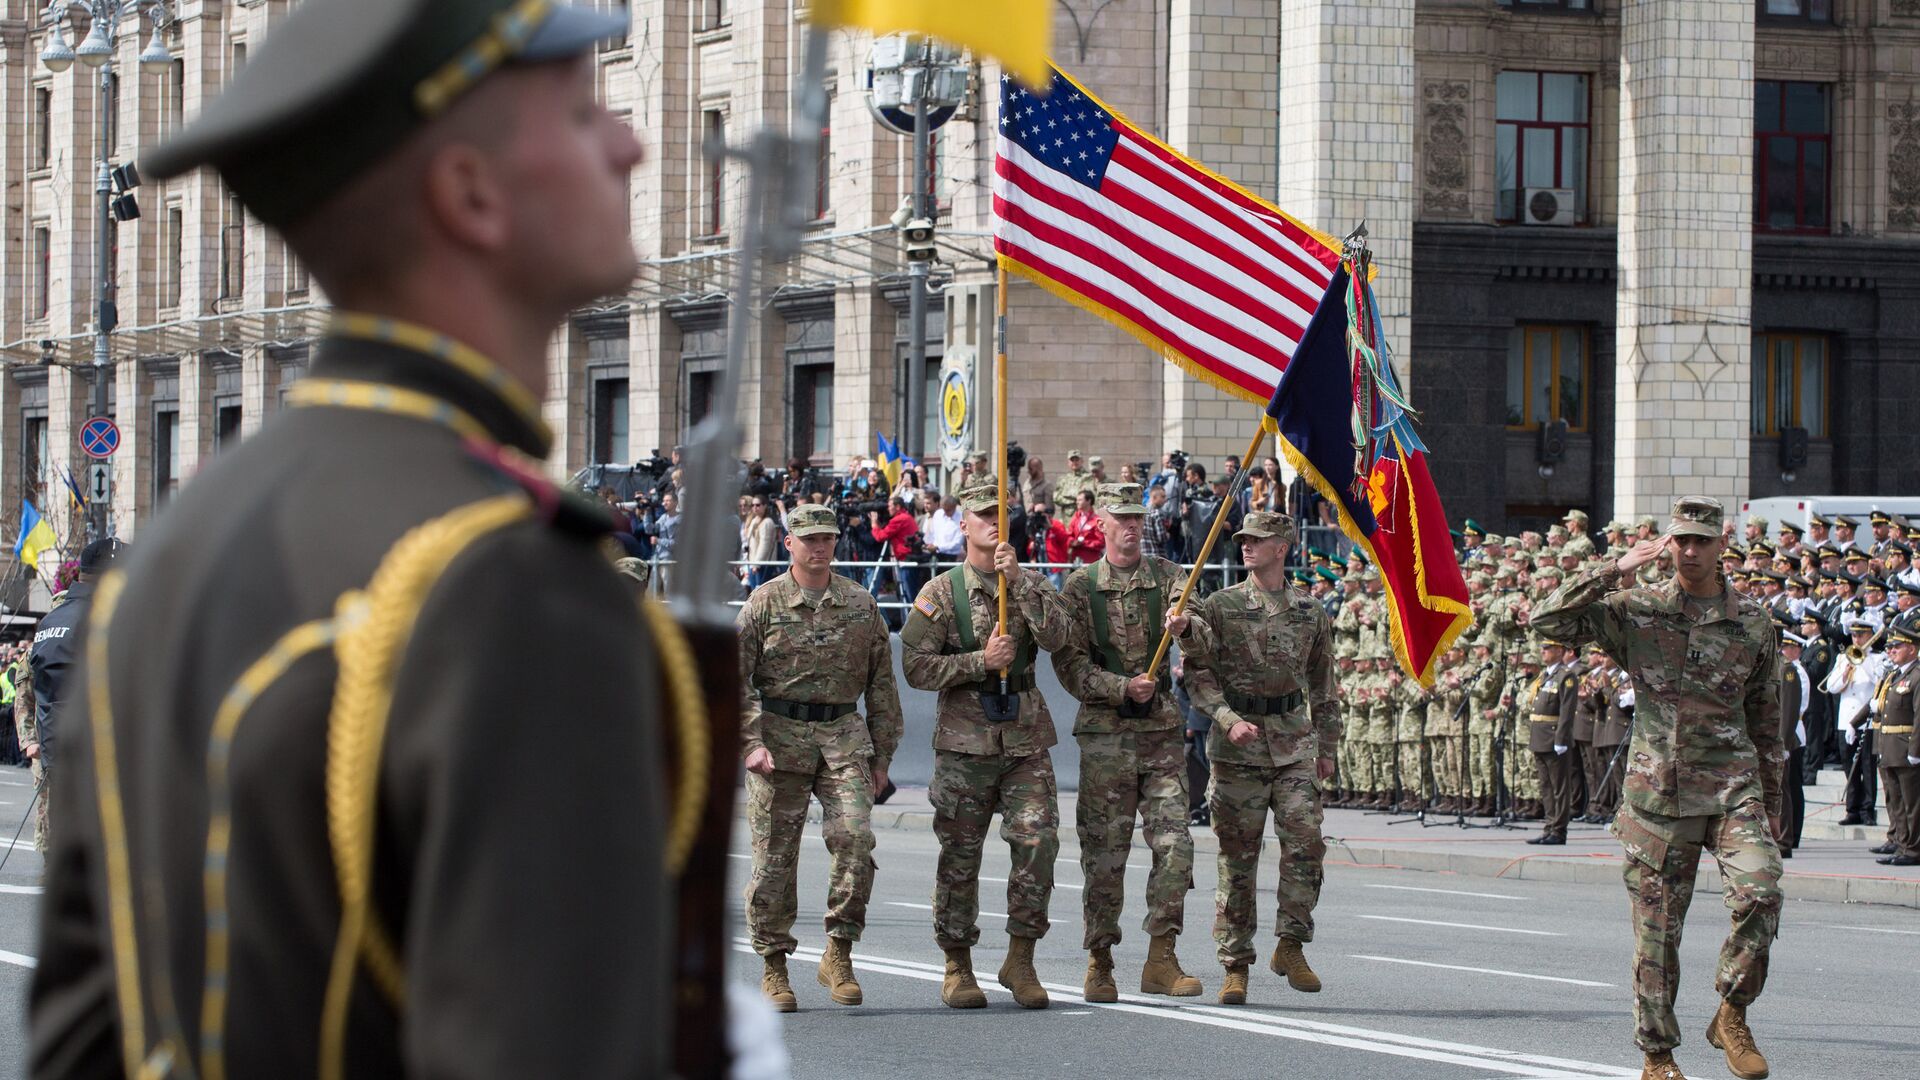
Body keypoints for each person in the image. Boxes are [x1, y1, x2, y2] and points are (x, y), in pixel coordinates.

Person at [31, 4, 672, 1076]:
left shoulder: (173, 551)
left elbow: (84, 1041)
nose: (629, 142)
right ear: (469, 193)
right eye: (580, 113)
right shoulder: (510, 585)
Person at [1533, 496, 1785, 1080]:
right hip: (1658, 797)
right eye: (1681, 540)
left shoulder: (1752, 622)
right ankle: (1657, 1056)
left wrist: (1771, 803)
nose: (1690, 551)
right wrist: (1612, 569)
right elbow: (1547, 620)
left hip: (1732, 788)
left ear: (1723, 545)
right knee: (1657, 935)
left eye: (1702, 540)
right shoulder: (1637, 609)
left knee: (1761, 893)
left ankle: (1731, 1011)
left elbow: (1766, 718)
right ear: (1668, 544)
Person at [900, 479, 1074, 1011]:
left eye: (1002, 512)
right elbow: (915, 666)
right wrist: (980, 662)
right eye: (983, 513)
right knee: (960, 856)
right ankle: (957, 963)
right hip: (964, 743)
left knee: (1039, 843)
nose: (994, 521)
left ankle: (1021, 957)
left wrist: (1018, 581)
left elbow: (1059, 637)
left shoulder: (1030, 582)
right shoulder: (941, 592)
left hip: (1023, 739)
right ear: (964, 524)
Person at [738, 504, 903, 1012]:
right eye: (808, 538)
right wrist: (750, 742)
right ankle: (774, 966)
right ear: (789, 543)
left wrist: (883, 758)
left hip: (842, 737)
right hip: (778, 740)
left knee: (855, 838)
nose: (819, 547)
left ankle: (839, 951)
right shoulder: (764, 603)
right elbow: (730, 681)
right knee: (773, 860)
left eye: (827, 538)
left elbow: (881, 685)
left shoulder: (859, 603)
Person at [1180, 511, 1338, 1005]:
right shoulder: (1221, 606)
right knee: (1238, 859)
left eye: (1258, 540)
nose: (1246, 546)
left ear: (1282, 547)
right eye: (1244, 539)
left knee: (1306, 843)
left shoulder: (1310, 611)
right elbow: (1196, 674)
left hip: (1294, 743)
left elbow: (1324, 686)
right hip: (1237, 747)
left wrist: (1328, 748)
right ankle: (1235, 965)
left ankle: (1290, 944)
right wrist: (1227, 719)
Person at [1051, 484, 1199, 1003]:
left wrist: (1187, 628)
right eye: (1122, 519)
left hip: (1159, 734)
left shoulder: (1169, 577)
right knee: (1105, 855)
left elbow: (1201, 633)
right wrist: (1119, 687)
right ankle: (1100, 959)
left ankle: (1162, 956)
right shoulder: (1080, 586)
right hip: (1106, 735)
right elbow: (1068, 665)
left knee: (1176, 845)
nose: (1133, 527)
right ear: (1103, 525)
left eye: (1138, 517)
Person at [1868, 627, 1920, 865]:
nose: (1892, 651)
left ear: (1912, 648)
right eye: (1890, 647)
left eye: (1897, 647)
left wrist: (1916, 750)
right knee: (1895, 801)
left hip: (1905, 746)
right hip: (1889, 746)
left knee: (1912, 803)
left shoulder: (1917, 675)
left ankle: (1914, 849)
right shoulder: (1896, 675)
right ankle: (1901, 843)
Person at [1067, 489, 1106, 565]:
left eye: (1080, 500)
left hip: (1091, 561)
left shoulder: (1097, 520)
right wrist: (1072, 542)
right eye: (1077, 500)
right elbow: (1068, 536)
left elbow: (1101, 543)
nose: (1077, 502)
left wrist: (1084, 543)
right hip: (1075, 560)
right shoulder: (1075, 518)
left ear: (1089, 501)